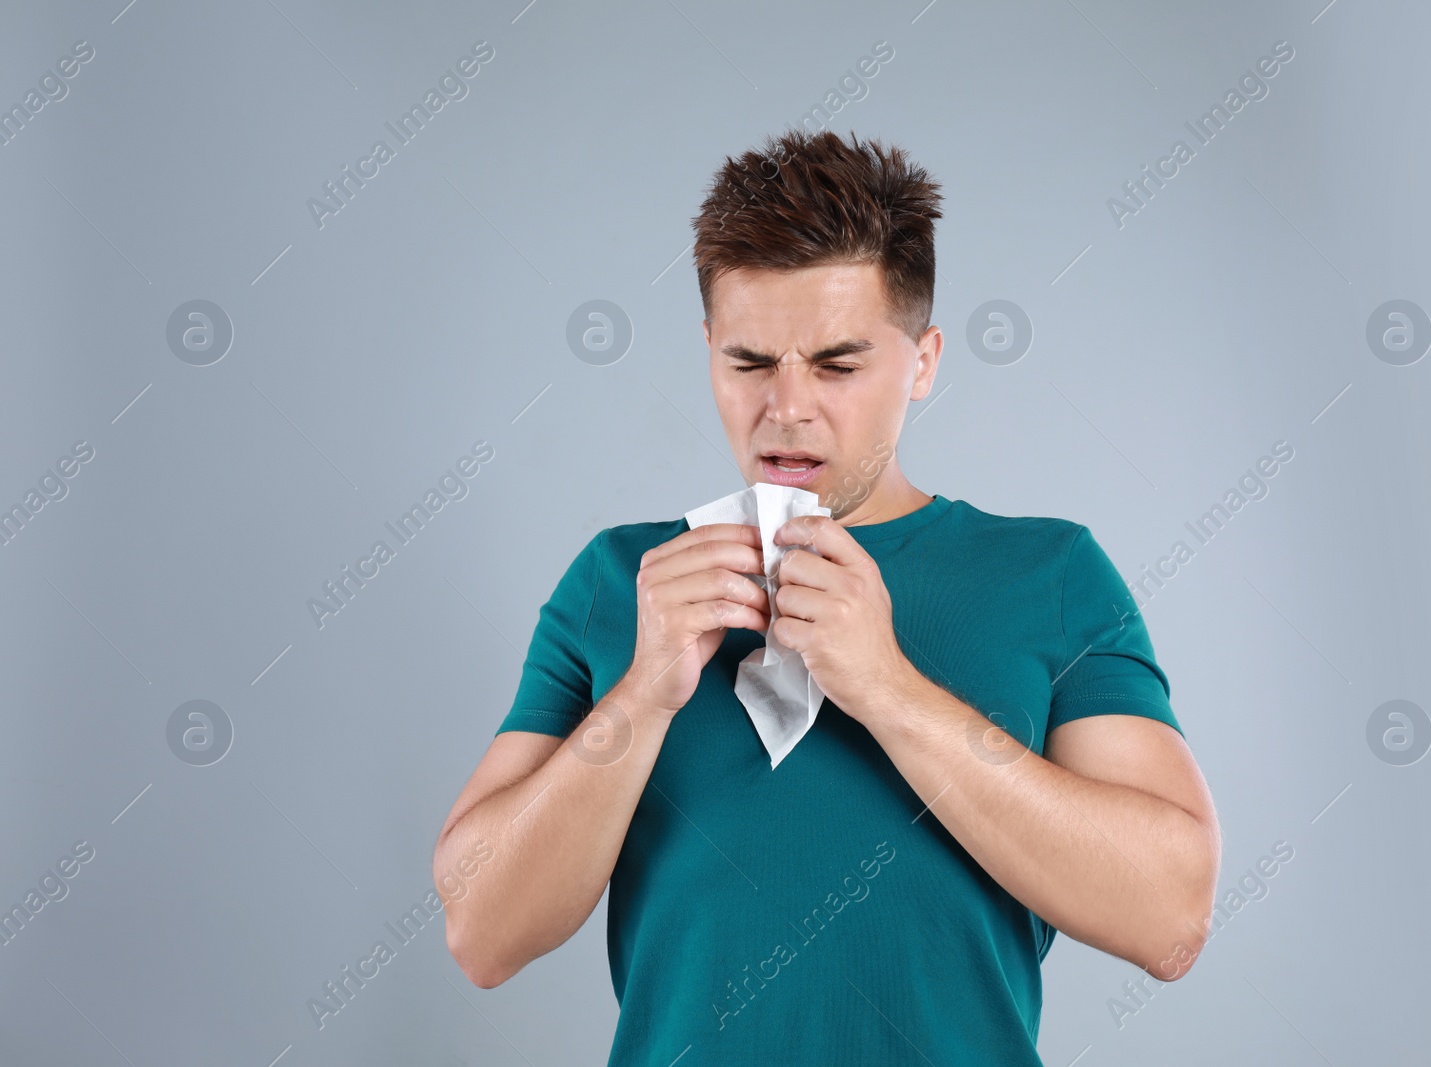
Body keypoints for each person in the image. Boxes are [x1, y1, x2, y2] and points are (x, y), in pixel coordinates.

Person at [433, 128, 1220, 1065]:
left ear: (923, 362)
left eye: (839, 364)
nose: (789, 407)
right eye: (750, 362)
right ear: (708, 352)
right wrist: (641, 698)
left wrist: (886, 687)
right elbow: (480, 933)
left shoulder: (1048, 574)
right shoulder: (620, 580)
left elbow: (1171, 918)